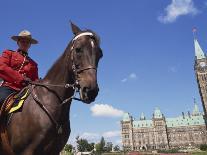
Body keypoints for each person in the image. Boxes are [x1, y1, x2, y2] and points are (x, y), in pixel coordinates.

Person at [0, 30, 39, 107]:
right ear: (18, 42)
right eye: (23, 41)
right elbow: (2, 67)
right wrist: (20, 79)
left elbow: (35, 80)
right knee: (1, 99)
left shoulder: (34, 64)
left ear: (30, 44)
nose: (25, 43)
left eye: (27, 42)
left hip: (26, 91)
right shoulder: (8, 53)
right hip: (9, 87)